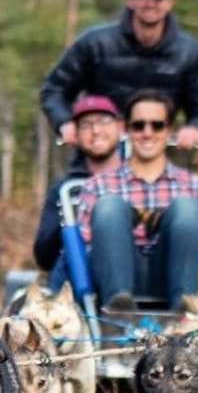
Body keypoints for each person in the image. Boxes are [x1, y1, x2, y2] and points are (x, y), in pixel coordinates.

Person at [40, 0, 198, 172]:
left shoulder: (190, 53)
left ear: (170, 3)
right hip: (97, 157)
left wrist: (196, 128)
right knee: (66, 192)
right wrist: (65, 123)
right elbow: (54, 90)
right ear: (130, 0)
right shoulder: (94, 44)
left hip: (159, 159)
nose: (150, 3)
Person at [75, 90, 198, 311]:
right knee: (110, 206)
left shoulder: (197, 187)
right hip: (112, 275)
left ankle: (185, 309)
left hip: (176, 272)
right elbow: (84, 250)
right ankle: (118, 307)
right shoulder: (96, 187)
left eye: (157, 125)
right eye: (139, 125)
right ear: (126, 129)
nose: (147, 133)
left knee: (186, 208)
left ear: (169, 130)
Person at [33, 95, 124, 290]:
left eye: (104, 121)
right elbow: (44, 257)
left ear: (120, 127)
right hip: (79, 277)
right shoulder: (65, 189)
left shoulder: (139, 183)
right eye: (86, 125)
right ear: (76, 134)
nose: (96, 131)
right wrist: (70, 222)